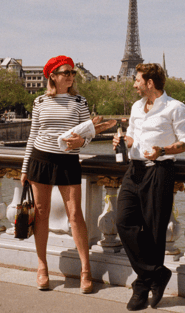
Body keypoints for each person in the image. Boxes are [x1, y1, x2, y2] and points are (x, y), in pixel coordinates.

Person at [21, 55, 114, 294]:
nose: (71, 77)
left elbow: (89, 133)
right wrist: (24, 168)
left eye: (72, 73)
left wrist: (80, 143)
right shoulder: (40, 101)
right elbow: (33, 135)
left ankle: (86, 269)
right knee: (41, 214)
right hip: (40, 160)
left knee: (75, 215)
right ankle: (42, 267)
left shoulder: (79, 101)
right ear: (52, 76)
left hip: (68, 161)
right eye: (66, 73)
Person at [112, 63, 185, 310]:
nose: (134, 84)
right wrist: (124, 140)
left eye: (137, 80)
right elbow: (133, 138)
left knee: (154, 231)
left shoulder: (175, 108)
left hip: (159, 171)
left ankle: (142, 287)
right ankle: (156, 274)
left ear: (149, 83)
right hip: (134, 170)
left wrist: (164, 151)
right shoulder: (137, 107)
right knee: (123, 222)